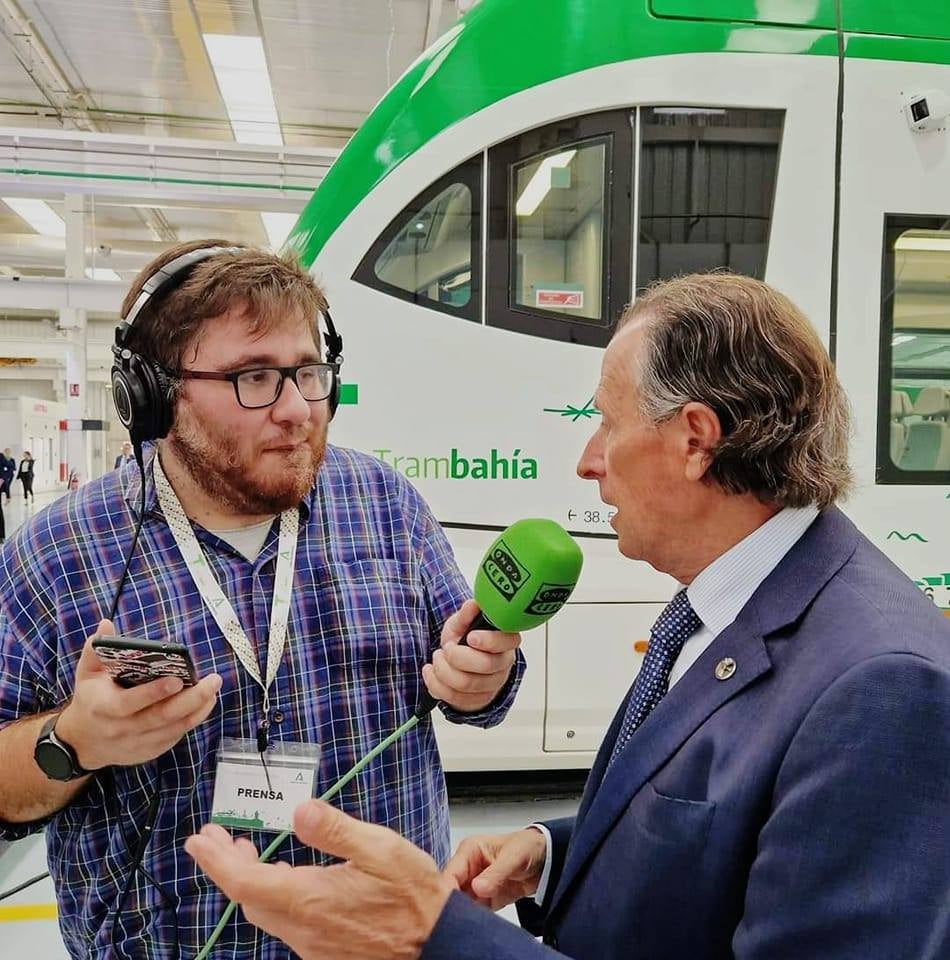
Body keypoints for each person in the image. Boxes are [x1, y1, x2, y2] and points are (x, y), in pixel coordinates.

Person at [187, 272, 950, 960]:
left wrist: (433, 937)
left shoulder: (881, 689)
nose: (588, 460)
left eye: (607, 424)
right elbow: (717, 843)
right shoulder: (726, 601)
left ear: (694, 440)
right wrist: (555, 854)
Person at [0, 239, 525, 959]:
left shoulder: (387, 507)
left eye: (308, 372)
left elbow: (477, 686)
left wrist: (482, 681)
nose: (297, 410)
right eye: (253, 377)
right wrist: (75, 741)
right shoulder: (56, 554)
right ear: (151, 393)